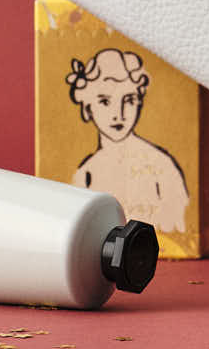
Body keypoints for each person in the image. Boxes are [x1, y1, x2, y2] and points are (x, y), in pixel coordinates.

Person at [66, 47, 189, 229]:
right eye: (105, 101)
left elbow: (180, 225)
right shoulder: (85, 174)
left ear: (139, 102)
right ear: (87, 106)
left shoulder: (162, 166)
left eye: (129, 100)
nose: (119, 114)